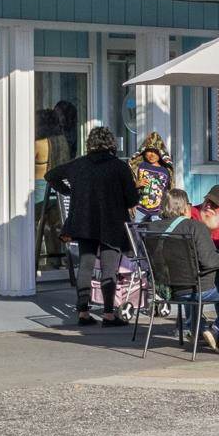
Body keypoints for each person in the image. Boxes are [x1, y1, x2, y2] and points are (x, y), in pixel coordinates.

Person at [46, 124, 138, 326]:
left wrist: (68, 191)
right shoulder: (119, 167)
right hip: (112, 224)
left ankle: (83, 313)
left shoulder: (78, 165)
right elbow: (132, 199)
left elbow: (50, 175)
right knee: (109, 269)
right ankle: (108, 314)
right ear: (111, 143)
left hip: (84, 222)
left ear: (90, 144)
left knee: (85, 266)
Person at [151, 187, 219, 355]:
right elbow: (210, 262)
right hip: (197, 289)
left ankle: (202, 330)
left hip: (166, 290)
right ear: (185, 207)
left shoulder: (150, 228)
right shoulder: (195, 227)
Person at [132, 134, 174, 222]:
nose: (152, 155)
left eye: (155, 151)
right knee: (136, 232)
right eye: (149, 151)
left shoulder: (166, 171)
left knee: (155, 234)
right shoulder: (139, 167)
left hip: (157, 212)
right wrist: (136, 184)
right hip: (140, 209)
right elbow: (127, 186)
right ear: (144, 151)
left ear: (161, 153)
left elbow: (169, 190)